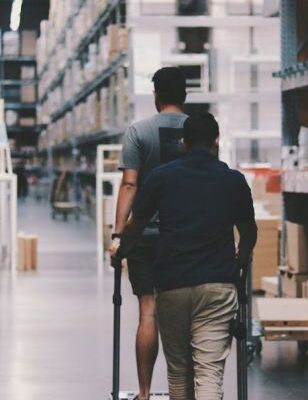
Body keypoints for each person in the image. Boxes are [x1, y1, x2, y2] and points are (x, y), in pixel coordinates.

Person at [116, 112, 258, 400]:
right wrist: (241, 258)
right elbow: (249, 231)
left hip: (173, 284)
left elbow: (136, 226)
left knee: (179, 372)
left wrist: (120, 249)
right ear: (216, 142)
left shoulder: (161, 177)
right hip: (218, 284)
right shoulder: (234, 181)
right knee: (208, 373)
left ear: (183, 143)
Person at [109, 66, 189, 400]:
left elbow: (130, 183)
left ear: (156, 94)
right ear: (184, 94)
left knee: (148, 310)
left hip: (145, 234)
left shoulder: (138, 132)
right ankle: (183, 391)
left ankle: (143, 393)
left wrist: (117, 236)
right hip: (185, 235)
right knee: (186, 312)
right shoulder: (198, 130)